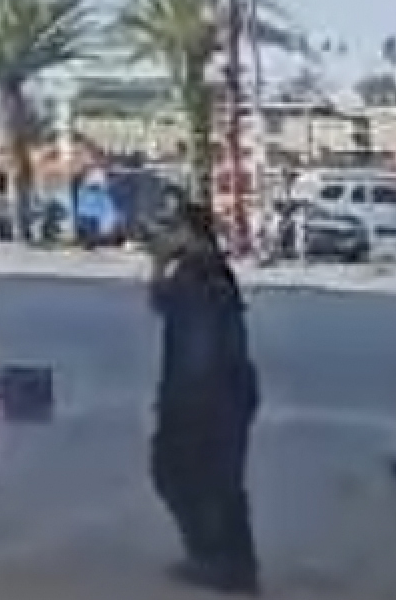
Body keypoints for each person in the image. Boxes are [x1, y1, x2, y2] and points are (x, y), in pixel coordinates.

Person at [144, 199, 262, 593]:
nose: (161, 235)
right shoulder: (202, 269)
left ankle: (221, 562)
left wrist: (182, 404)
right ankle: (229, 564)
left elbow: (200, 348)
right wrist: (158, 266)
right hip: (227, 393)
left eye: (169, 228)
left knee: (184, 476)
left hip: (208, 398)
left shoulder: (198, 276)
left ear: (188, 233)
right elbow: (163, 307)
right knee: (217, 482)